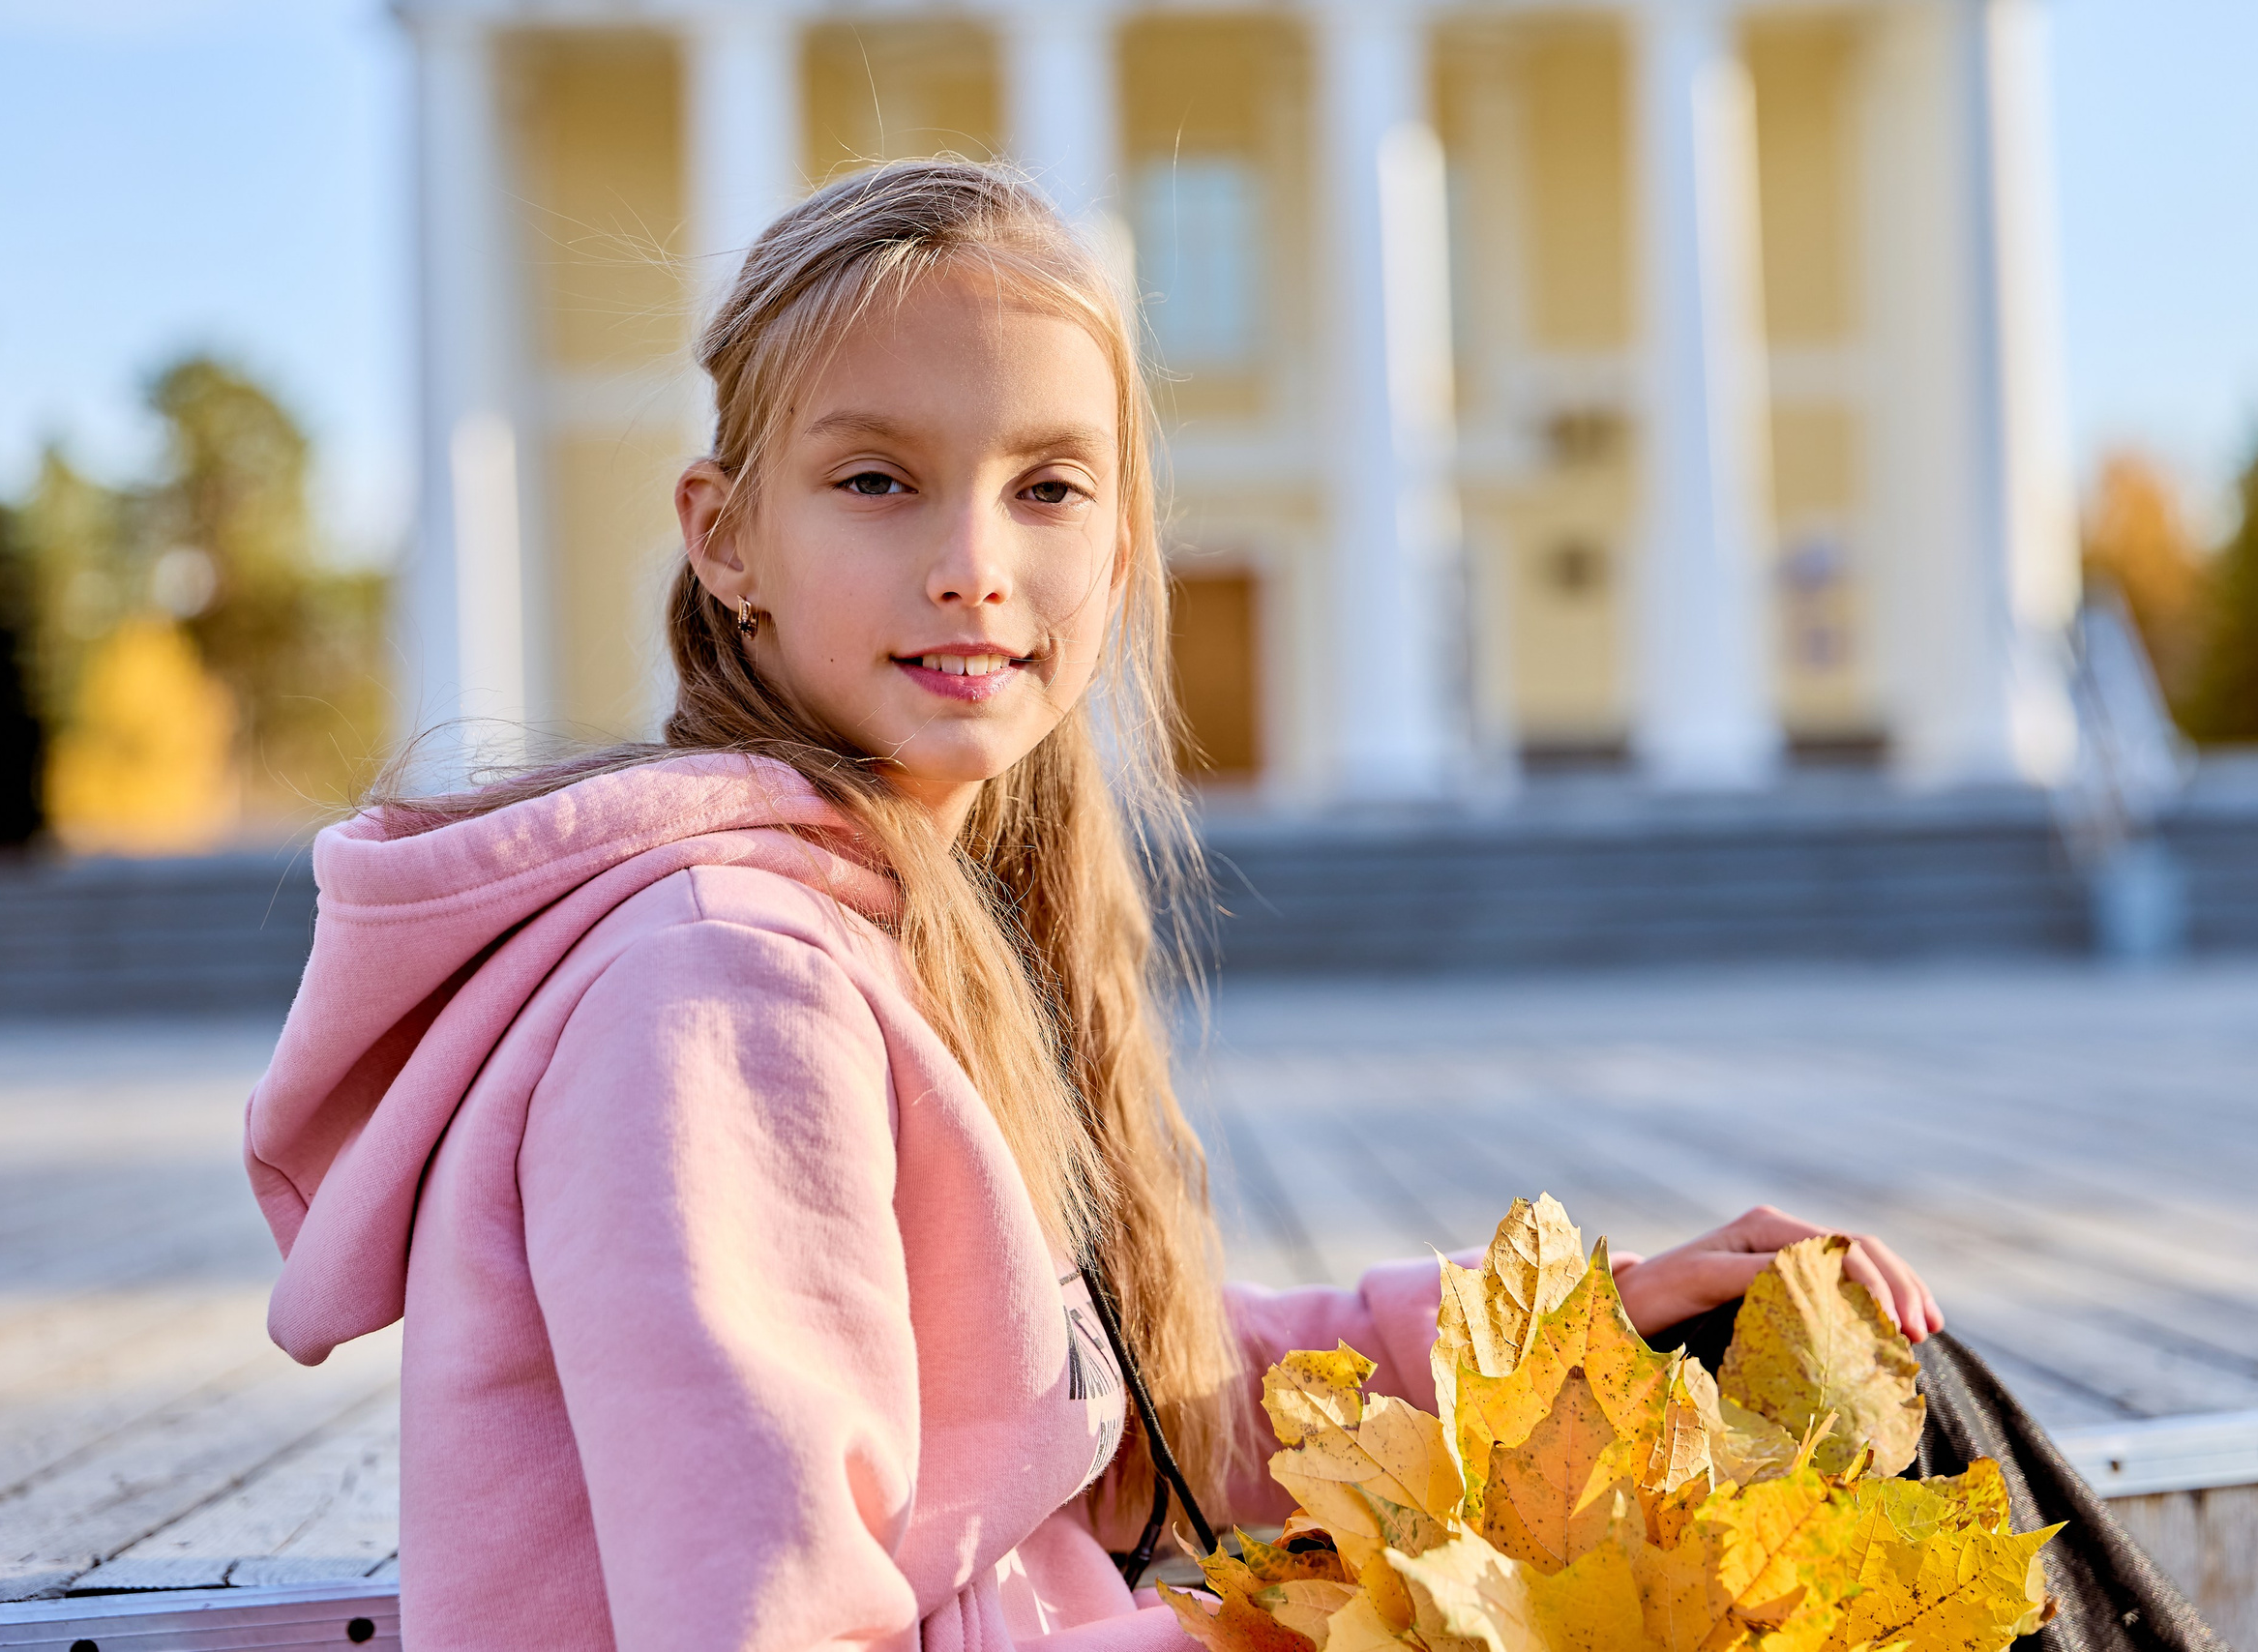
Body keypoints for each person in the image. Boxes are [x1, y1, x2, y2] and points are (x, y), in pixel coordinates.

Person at [245, 159, 1941, 1652]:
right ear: (725, 539)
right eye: (876, 479)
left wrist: (1583, 1330)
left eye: (1048, 486)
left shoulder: (903, 925)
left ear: (1123, 554)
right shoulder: (720, 997)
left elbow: (1116, 1410)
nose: (974, 559)